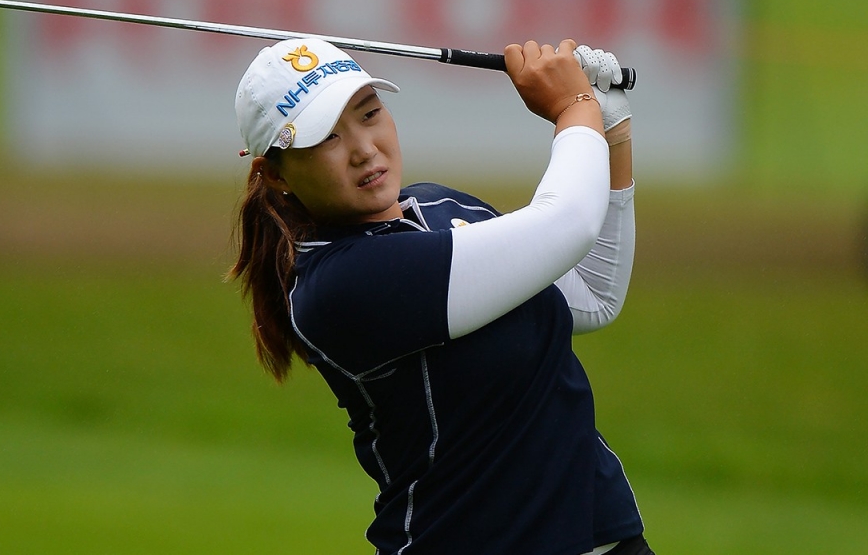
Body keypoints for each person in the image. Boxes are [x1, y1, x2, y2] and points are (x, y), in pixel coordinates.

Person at [228, 35, 651, 555]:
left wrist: (610, 130)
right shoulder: (342, 284)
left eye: (369, 113)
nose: (364, 148)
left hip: (607, 539)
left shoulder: (438, 204)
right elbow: (567, 223)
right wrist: (573, 107)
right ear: (276, 175)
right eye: (327, 138)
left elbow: (590, 294)